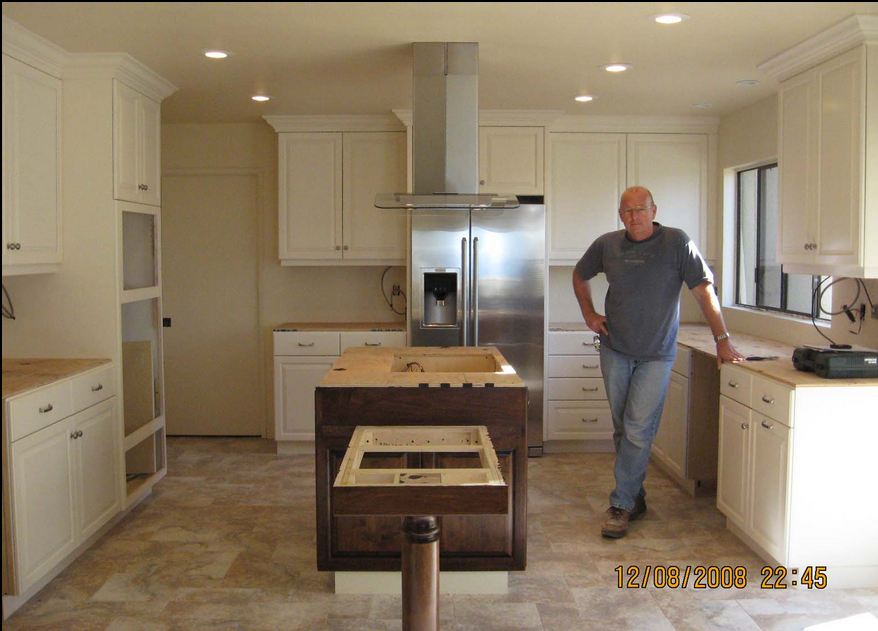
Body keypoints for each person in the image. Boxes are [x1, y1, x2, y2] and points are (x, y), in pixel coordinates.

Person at [572, 185, 744, 539]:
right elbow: (580, 274)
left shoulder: (677, 243)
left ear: (654, 210)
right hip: (614, 348)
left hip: (657, 353)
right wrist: (589, 313)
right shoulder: (607, 245)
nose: (634, 217)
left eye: (640, 209)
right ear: (620, 215)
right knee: (623, 428)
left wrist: (722, 339)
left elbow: (704, 290)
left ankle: (621, 504)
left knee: (637, 428)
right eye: (627, 211)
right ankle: (635, 496)